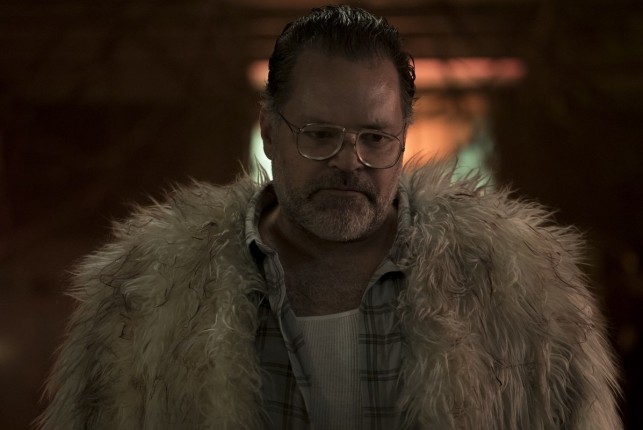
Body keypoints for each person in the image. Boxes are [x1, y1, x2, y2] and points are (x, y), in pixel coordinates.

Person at [38, 5, 621, 429]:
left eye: (375, 137)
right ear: (270, 133)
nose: (350, 161)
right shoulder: (145, 297)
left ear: (402, 139)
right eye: (320, 134)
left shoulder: (521, 293)